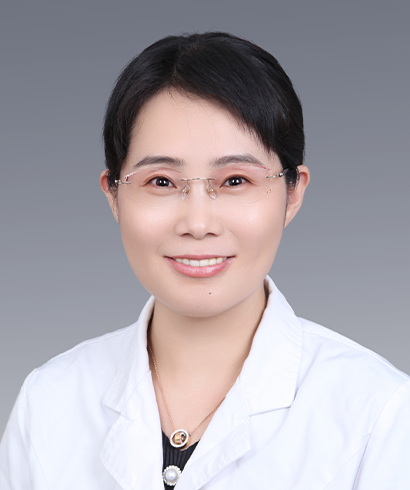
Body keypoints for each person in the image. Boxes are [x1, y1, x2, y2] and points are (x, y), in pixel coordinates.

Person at [0, 32, 409, 490]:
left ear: (293, 193)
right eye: (161, 182)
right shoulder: (49, 402)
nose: (197, 224)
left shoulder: (378, 414)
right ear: (113, 195)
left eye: (235, 181)